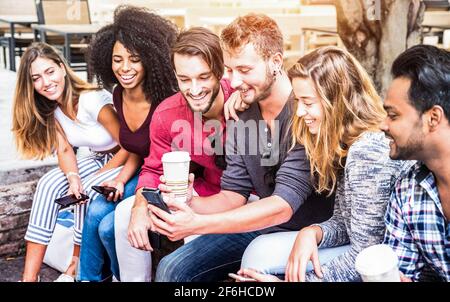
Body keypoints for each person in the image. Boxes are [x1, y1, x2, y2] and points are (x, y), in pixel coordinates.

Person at [151, 14, 334, 282]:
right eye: (229, 70)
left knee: (254, 261)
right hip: (263, 228)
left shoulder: (306, 111)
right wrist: (191, 201)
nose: (234, 82)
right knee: (171, 268)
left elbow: (282, 206)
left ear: (275, 62)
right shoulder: (240, 111)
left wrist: (198, 224)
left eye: (245, 70)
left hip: (311, 232)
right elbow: (232, 195)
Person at [233, 46, 412, 282]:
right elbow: (344, 223)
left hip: (395, 267)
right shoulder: (345, 146)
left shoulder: (367, 152)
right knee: (258, 253)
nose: (299, 112)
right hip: (368, 254)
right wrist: (314, 232)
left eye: (307, 102)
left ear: (336, 102)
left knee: (259, 261)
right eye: (298, 101)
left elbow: (364, 256)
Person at [113, 26, 235, 282]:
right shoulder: (168, 113)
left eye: (204, 77)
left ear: (220, 71)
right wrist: (139, 207)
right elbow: (153, 169)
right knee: (125, 214)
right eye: (184, 79)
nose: (194, 89)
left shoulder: (242, 100)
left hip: (243, 199)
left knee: (190, 236)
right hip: (201, 191)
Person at [12, 42, 129, 282]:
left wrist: (96, 178)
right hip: (95, 157)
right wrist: (73, 178)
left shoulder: (92, 100)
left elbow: (128, 143)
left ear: (62, 68)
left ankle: (74, 267)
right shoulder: (51, 107)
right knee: (47, 184)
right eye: (36, 78)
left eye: (50, 72)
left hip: (123, 157)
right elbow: (65, 149)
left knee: (83, 193)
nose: (46, 82)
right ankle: (29, 277)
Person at [77, 5, 179, 282]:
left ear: (150, 59)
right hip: (141, 171)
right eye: (117, 59)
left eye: (134, 59)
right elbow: (136, 147)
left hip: (167, 178)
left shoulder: (165, 101)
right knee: (97, 208)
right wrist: (121, 179)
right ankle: (88, 278)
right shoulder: (119, 95)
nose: (124, 68)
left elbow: (161, 157)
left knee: (110, 227)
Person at [381, 45, 450, 282]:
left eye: (393, 115)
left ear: (433, 118)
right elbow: (401, 271)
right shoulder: (407, 191)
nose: (383, 125)